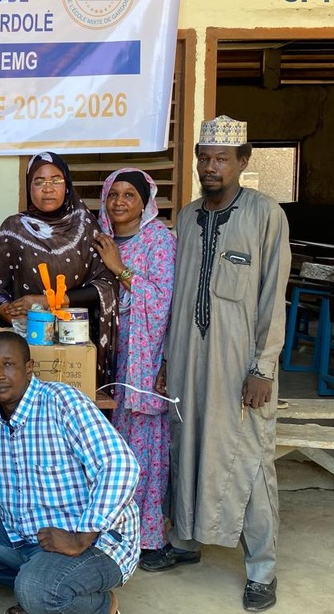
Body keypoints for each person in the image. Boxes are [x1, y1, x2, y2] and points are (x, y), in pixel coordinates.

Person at [139, 116, 290, 613]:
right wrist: (164, 359)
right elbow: (176, 298)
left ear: (243, 161)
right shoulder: (185, 218)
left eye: (221, 159)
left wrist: (263, 368)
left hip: (238, 364)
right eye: (203, 157)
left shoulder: (266, 215)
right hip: (186, 358)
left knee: (247, 460)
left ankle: (262, 569)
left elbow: (273, 298)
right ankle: (186, 542)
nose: (210, 167)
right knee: (188, 446)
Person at [0, 331, 140, 614]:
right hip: (28, 537)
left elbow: (120, 466)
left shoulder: (64, 403)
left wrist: (79, 538)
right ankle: (41, 586)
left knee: (35, 590)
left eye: (8, 365)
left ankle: (98, 604)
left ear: (29, 368)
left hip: (97, 541)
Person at [92, 168, 176, 551]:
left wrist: (119, 269)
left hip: (144, 357)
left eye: (130, 195)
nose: (120, 202)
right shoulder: (99, 240)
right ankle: (110, 531)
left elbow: (163, 299)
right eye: (114, 194)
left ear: (145, 202)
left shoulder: (159, 239)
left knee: (142, 447)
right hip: (109, 354)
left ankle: (146, 537)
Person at [0, 151, 119, 384]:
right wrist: (8, 310)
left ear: (67, 185)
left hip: (76, 348)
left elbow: (105, 286)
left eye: (56, 180)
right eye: (39, 181)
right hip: (26, 345)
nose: (48, 188)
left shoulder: (85, 226)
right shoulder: (13, 228)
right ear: (29, 187)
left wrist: (49, 301)